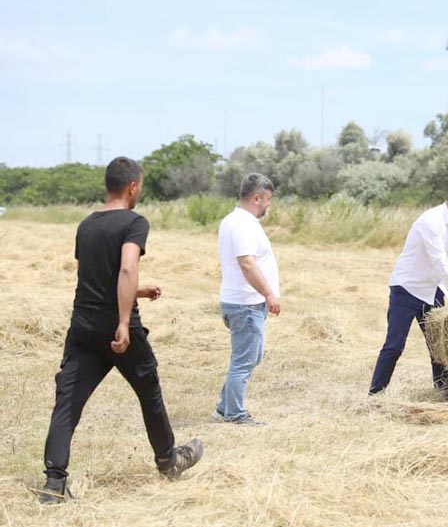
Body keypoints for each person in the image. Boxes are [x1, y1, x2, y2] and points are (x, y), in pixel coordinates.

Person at [38, 157, 203, 505]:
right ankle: (168, 459)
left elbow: (97, 276)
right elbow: (127, 268)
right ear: (132, 187)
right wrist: (125, 322)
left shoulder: (86, 225)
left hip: (83, 326)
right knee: (149, 389)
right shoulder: (134, 222)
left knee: (67, 402)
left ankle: (54, 484)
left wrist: (140, 291)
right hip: (116, 328)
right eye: (140, 185)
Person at [369, 182, 448, 400]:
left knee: (439, 347)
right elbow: (440, 261)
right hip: (407, 289)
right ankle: (375, 397)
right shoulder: (431, 221)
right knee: (394, 345)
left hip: (432, 291)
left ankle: (445, 396)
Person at [213, 173, 280, 425]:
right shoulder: (243, 224)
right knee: (244, 361)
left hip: (242, 302)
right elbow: (247, 263)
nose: (269, 205)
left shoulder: (234, 220)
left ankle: (224, 406)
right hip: (246, 304)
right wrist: (268, 294)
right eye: (268, 200)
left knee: (251, 356)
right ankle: (235, 414)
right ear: (257, 197)